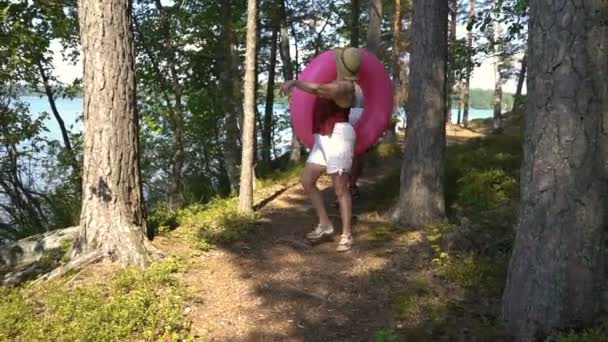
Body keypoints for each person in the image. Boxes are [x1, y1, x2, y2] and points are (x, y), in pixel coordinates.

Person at [280, 47, 361, 252]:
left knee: (341, 189)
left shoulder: (345, 87)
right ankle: (325, 224)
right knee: (307, 181)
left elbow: (317, 90)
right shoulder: (336, 82)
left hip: (338, 137)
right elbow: (317, 97)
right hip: (323, 137)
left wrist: (295, 83)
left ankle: (347, 235)